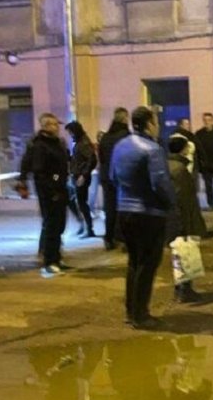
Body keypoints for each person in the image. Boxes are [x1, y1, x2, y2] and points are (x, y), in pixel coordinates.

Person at [110, 106, 176, 328]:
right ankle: (141, 314)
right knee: (148, 264)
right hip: (149, 213)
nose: (157, 126)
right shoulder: (152, 150)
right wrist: (170, 204)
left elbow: (112, 177)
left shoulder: (120, 146)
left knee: (134, 262)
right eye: (155, 122)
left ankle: (131, 311)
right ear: (149, 124)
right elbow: (160, 183)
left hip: (124, 210)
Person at [16, 112, 72, 276]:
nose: (57, 128)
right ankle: (50, 261)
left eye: (57, 124)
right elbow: (42, 172)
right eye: (54, 125)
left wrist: (61, 176)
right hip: (50, 192)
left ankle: (57, 258)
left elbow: (59, 168)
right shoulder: (40, 145)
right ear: (46, 126)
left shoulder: (56, 143)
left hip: (60, 188)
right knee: (51, 226)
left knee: (60, 225)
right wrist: (54, 183)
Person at [166, 135, 207, 303]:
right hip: (183, 218)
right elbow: (185, 198)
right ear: (183, 149)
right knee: (185, 253)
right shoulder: (180, 170)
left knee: (179, 254)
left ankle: (181, 289)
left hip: (174, 217)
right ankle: (185, 290)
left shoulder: (168, 165)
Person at [98, 107, 130, 251]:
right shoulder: (126, 136)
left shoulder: (106, 137)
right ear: (125, 119)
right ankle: (122, 238)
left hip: (106, 178)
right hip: (121, 177)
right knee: (123, 209)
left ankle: (109, 237)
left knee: (109, 208)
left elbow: (102, 158)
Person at [65, 121, 98, 238]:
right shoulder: (80, 142)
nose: (70, 135)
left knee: (82, 203)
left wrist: (83, 175)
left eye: (70, 133)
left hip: (80, 177)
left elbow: (91, 160)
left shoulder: (83, 143)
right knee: (74, 200)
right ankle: (84, 225)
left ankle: (89, 228)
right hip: (76, 176)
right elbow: (80, 160)